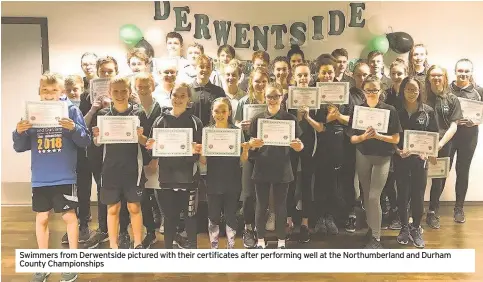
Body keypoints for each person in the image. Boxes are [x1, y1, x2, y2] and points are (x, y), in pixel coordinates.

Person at [14, 72, 90, 282]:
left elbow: (85, 142)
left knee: (69, 217)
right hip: (40, 177)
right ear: (39, 92)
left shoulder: (71, 110)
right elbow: (19, 147)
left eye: (54, 90)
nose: (49, 95)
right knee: (42, 217)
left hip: (65, 176)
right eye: (45, 91)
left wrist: (73, 128)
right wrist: (19, 132)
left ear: (61, 92)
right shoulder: (31, 113)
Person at [92, 76, 148, 249]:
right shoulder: (103, 115)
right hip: (110, 169)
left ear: (129, 92)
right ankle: (113, 246)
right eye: (115, 91)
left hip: (133, 169)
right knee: (113, 209)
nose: (120, 94)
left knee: (134, 207)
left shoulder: (138, 113)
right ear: (109, 92)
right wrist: (96, 136)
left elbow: (146, 142)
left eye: (123, 90)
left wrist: (140, 137)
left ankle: (137, 243)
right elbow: (97, 143)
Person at [146, 83, 203, 249]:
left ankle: (192, 249)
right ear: (170, 97)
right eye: (175, 95)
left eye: (182, 96)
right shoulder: (160, 120)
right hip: (166, 178)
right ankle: (168, 250)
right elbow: (152, 150)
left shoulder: (195, 122)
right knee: (169, 218)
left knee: (190, 216)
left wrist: (195, 150)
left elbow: (199, 150)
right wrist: (150, 147)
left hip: (188, 177)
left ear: (189, 99)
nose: (178, 99)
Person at [347, 75, 402, 249]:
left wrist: (378, 136)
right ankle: (372, 229)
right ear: (363, 91)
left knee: (373, 196)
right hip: (363, 155)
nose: (371, 93)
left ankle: (376, 238)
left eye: (375, 90)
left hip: (382, 157)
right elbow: (352, 138)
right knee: (366, 196)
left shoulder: (390, 110)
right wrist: (363, 136)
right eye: (368, 90)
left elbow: (395, 138)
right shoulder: (358, 110)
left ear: (381, 91)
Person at [249, 83, 303, 249]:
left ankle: (281, 241)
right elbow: (250, 146)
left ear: (282, 97)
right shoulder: (257, 119)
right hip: (262, 166)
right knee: (261, 205)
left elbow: (299, 144)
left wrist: (299, 146)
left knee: (281, 206)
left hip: (282, 167)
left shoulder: (290, 120)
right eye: (269, 96)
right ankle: (260, 240)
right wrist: (253, 145)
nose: (272, 100)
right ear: (264, 97)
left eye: (276, 96)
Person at [82, 56, 122, 249]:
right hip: (95, 148)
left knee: (120, 189)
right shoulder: (86, 96)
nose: (106, 74)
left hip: (118, 149)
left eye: (110, 71)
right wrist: (94, 108)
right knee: (101, 188)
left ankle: (121, 232)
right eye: (103, 72)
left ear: (116, 73)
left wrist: (111, 106)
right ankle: (103, 230)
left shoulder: (123, 94)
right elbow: (82, 124)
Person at [200, 97, 250, 248]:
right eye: (216, 111)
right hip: (213, 179)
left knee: (230, 215)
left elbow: (243, 160)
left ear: (229, 112)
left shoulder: (237, 132)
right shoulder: (207, 131)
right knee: (213, 215)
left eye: (223, 111)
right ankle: (214, 246)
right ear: (212, 112)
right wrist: (201, 150)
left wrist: (246, 149)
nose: (220, 114)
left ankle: (231, 246)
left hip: (232, 179)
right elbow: (203, 161)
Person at [394, 76, 438, 248]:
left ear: (420, 91)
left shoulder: (428, 111)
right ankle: (404, 227)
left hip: (420, 161)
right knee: (403, 194)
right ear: (402, 90)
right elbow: (393, 138)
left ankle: (416, 228)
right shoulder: (396, 111)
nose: (411, 93)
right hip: (401, 159)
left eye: (415, 90)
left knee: (418, 195)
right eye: (408, 89)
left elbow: (434, 136)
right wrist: (398, 151)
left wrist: (427, 153)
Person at [313, 54, 349, 236]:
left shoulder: (342, 90)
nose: (328, 76)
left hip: (337, 141)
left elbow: (350, 117)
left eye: (331, 72)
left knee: (334, 182)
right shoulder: (312, 90)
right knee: (318, 181)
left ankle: (331, 217)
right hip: (317, 143)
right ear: (318, 73)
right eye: (324, 72)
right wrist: (327, 118)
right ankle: (319, 217)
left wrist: (337, 117)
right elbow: (313, 119)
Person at [234, 67, 269, 248]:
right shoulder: (243, 102)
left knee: (263, 194)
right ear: (251, 83)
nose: (260, 85)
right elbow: (235, 124)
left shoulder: (273, 100)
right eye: (257, 81)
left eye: (264, 81)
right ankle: (248, 227)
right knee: (247, 193)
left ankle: (260, 228)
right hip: (249, 152)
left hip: (268, 153)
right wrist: (241, 126)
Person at [424, 65, 463, 229]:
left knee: (438, 180)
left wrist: (439, 145)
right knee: (415, 178)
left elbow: (454, 125)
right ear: (428, 78)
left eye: (439, 75)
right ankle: (412, 211)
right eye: (433, 75)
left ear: (445, 78)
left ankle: (433, 211)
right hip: (422, 144)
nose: (436, 78)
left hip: (444, 145)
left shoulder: (452, 99)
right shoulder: (421, 96)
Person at [291, 62, 325, 242]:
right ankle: (288, 220)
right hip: (291, 145)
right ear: (294, 77)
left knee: (306, 185)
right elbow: (286, 125)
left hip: (310, 146)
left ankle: (305, 223)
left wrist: (308, 117)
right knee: (289, 183)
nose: (303, 78)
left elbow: (320, 128)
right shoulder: (288, 97)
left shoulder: (316, 98)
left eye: (306, 75)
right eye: (299, 75)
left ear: (310, 77)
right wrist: (297, 117)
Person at [448, 59, 483, 223]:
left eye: (466, 71)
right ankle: (432, 208)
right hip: (449, 137)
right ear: (455, 71)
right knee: (441, 171)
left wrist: (476, 121)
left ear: (471, 72)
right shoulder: (447, 90)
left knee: (462, 172)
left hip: (469, 137)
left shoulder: (478, 91)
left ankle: (459, 208)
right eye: (460, 70)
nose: (463, 74)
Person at [60, 75, 93, 246]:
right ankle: (72, 226)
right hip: (67, 156)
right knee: (70, 193)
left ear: (82, 89)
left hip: (84, 155)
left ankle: (84, 225)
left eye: (76, 89)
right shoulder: (61, 107)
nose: (73, 92)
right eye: (69, 89)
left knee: (84, 191)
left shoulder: (88, 103)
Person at [135, 72, 164, 248]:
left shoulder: (161, 109)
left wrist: (156, 159)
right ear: (135, 88)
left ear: (153, 87)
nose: (144, 90)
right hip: (137, 160)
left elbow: (163, 136)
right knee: (143, 198)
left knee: (162, 196)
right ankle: (150, 231)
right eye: (140, 87)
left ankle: (170, 230)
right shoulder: (132, 110)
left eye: (147, 86)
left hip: (157, 160)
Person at [341, 61, 371, 233]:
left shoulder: (375, 95)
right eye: (359, 74)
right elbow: (345, 118)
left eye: (365, 74)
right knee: (349, 180)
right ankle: (351, 214)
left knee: (368, 181)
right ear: (353, 75)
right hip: (350, 142)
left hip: (371, 144)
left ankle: (370, 215)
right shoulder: (348, 94)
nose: (362, 78)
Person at [380, 58, 408, 230]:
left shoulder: (411, 93)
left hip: (408, 143)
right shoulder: (387, 94)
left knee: (404, 182)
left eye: (400, 73)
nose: (397, 76)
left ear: (406, 74)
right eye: (394, 74)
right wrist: (394, 146)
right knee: (389, 182)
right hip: (390, 142)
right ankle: (390, 213)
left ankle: (401, 215)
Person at [190, 54, 226, 126]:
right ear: (195, 68)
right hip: (191, 133)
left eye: (208, 67)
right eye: (202, 67)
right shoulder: (187, 90)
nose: (205, 70)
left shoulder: (219, 92)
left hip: (212, 133)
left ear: (212, 70)